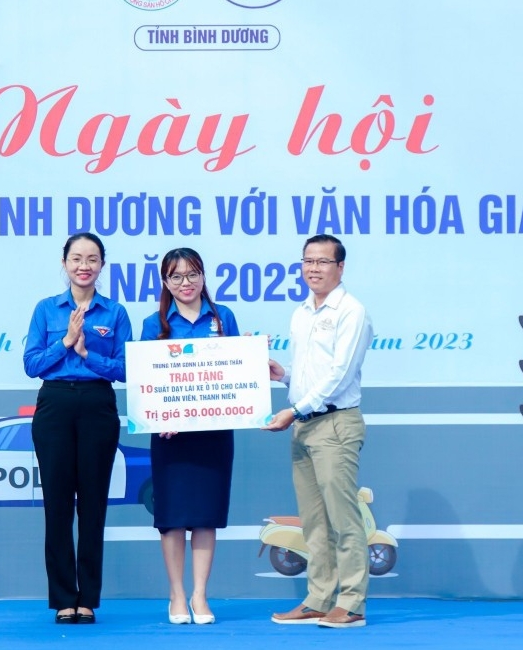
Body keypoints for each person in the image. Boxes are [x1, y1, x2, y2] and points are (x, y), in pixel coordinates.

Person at [262, 234, 374, 629]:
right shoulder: (301, 312)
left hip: (334, 424)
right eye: (308, 261)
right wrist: (283, 375)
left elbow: (340, 375)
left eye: (323, 261)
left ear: (340, 267)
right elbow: (312, 373)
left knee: (343, 519)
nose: (314, 268)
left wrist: (294, 410)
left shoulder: (352, 311)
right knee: (314, 522)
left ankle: (352, 603)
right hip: (304, 425)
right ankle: (319, 599)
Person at [23, 232, 132, 625]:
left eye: (92, 259)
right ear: (64, 262)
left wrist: (88, 354)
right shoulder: (46, 309)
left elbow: (127, 368)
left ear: (102, 264)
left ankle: (87, 598)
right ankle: (62, 598)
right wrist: (66, 342)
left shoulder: (114, 312)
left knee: (92, 504)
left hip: (97, 405)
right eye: (76, 258)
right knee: (56, 505)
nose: (84, 266)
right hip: (55, 405)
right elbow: (32, 365)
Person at [139, 248, 240, 625]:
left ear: (203, 276)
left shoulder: (223, 317)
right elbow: (144, 379)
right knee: (173, 517)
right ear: (166, 282)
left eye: (193, 274)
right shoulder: (154, 324)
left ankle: (199, 594)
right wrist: (159, 412)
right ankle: (176, 595)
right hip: (171, 436)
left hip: (213, 433)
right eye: (177, 276)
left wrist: (248, 356)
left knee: (205, 515)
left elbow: (234, 373)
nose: (186, 283)